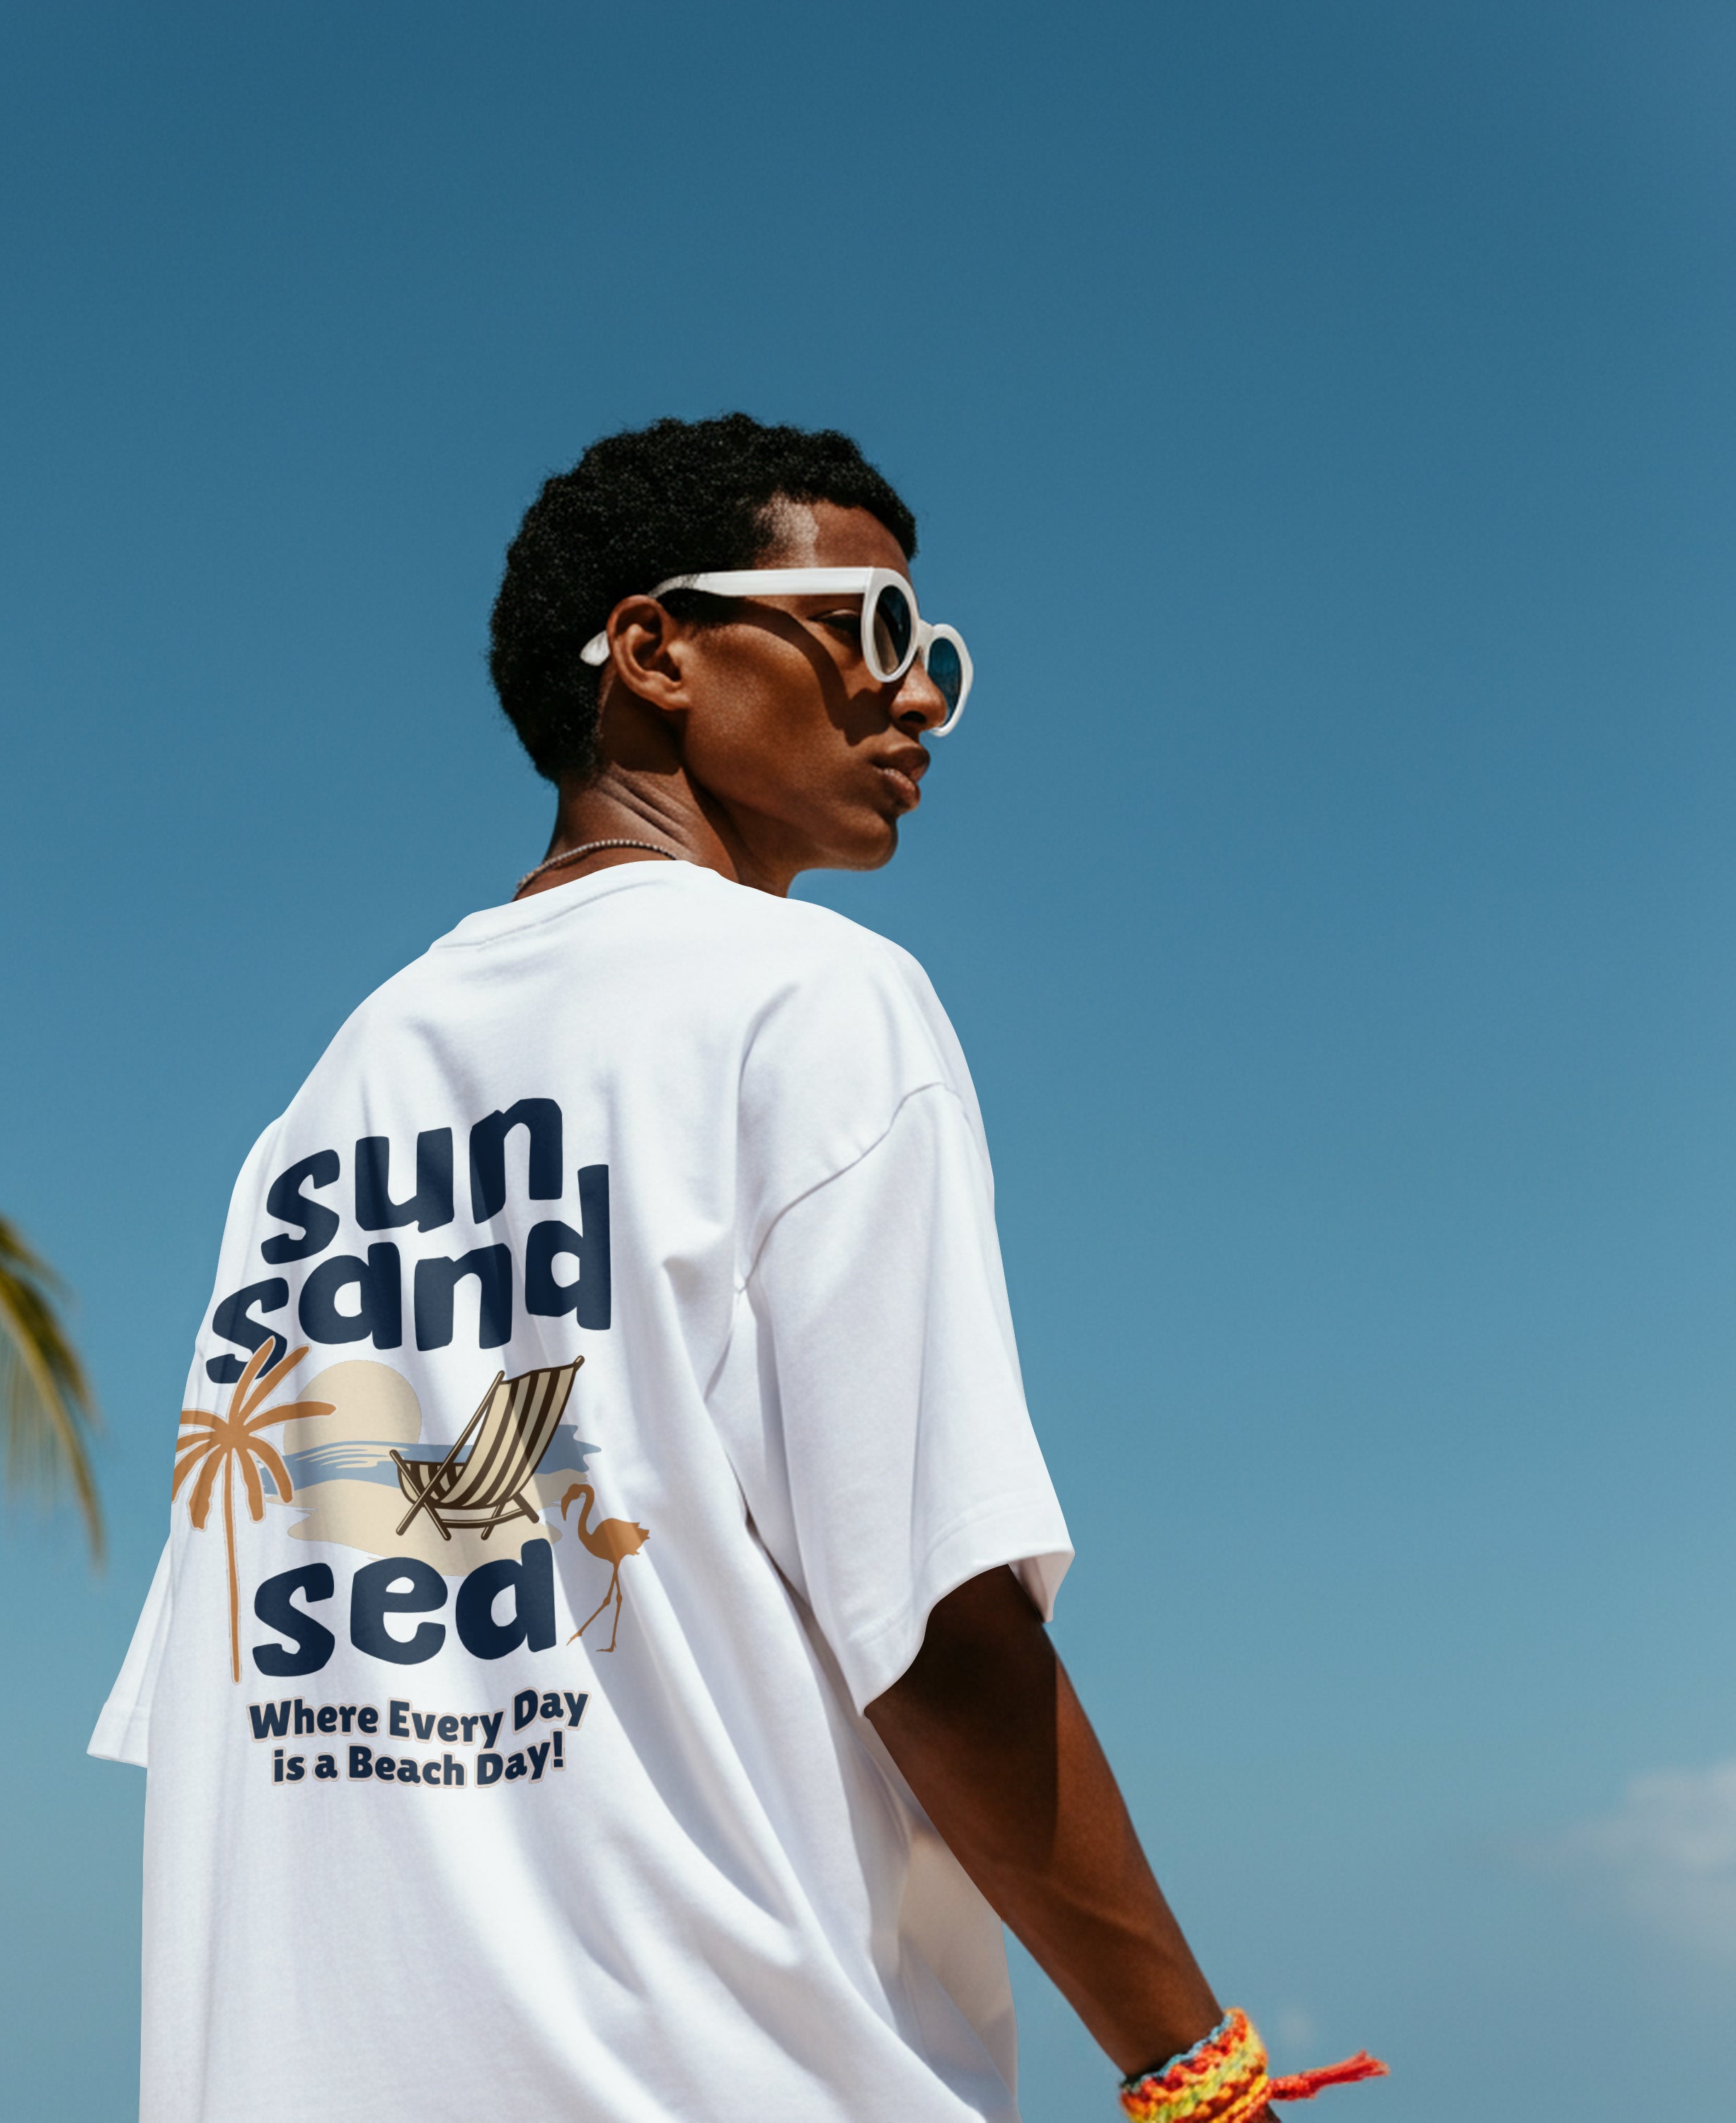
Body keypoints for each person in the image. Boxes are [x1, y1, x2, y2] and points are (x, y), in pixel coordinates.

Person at [91, 415, 1382, 2123]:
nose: (920, 697)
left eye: (939, 655)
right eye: (875, 629)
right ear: (654, 652)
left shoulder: (320, 1116)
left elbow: (259, 1685)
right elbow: (933, 1625)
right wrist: (1192, 2066)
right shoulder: (810, 1000)